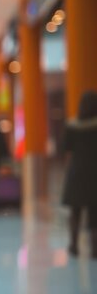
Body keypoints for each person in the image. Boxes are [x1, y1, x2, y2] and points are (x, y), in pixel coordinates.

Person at [61, 91, 97, 258]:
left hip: (76, 172)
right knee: (94, 212)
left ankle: (74, 245)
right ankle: (95, 248)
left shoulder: (72, 125)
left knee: (75, 211)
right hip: (94, 173)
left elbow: (64, 148)